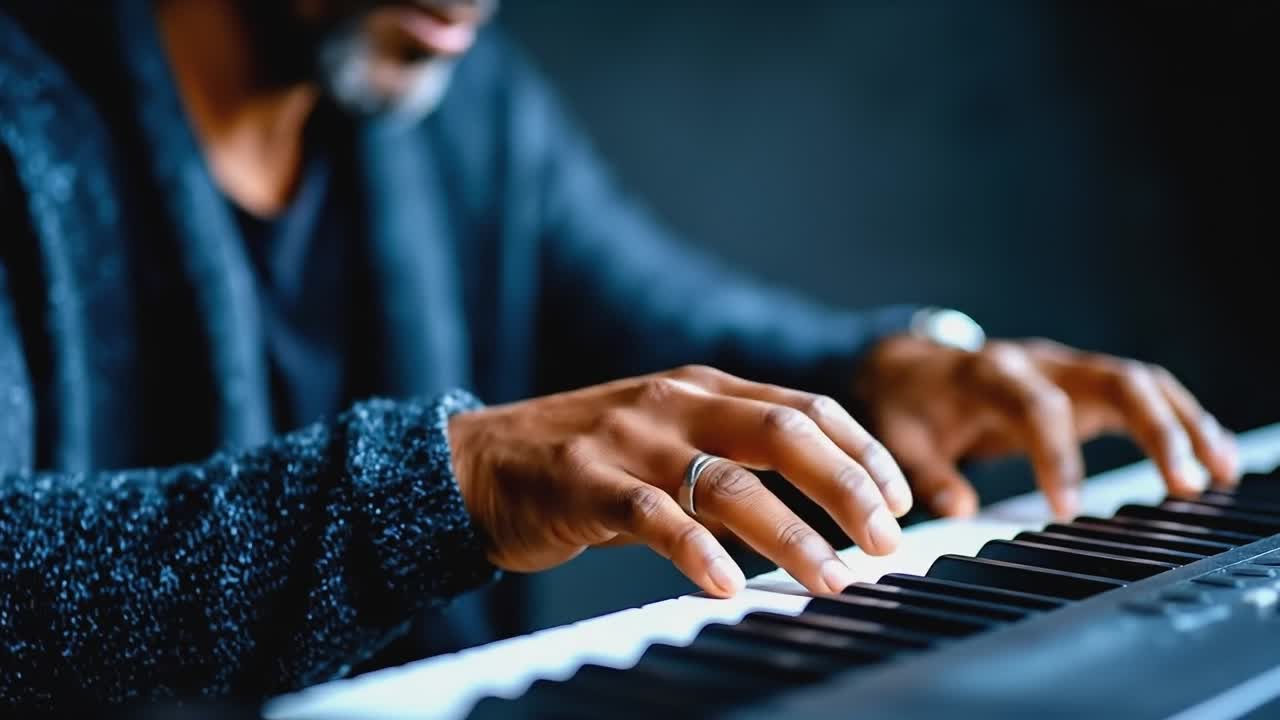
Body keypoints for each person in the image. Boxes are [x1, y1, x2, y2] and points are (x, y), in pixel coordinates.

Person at [0, 0, 1240, 713]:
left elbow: (663, 333)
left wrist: (881, 371)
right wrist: (453, 484)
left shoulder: (465, 106)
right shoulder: (22, 112)